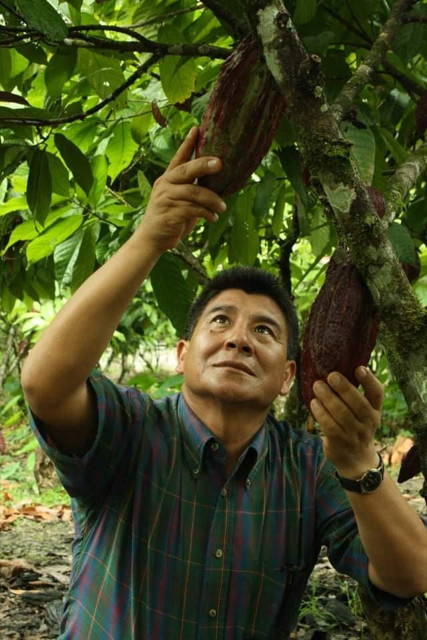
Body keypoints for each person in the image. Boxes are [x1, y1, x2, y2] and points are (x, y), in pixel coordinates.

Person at [21, 127, 427, 639]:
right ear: (183, 355)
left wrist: (359, 462)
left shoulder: (309, 467)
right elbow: (44, 384)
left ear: (288, 378)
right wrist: (151, 236)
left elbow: (410, 575)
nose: (239, 340)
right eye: (220, 321)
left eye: (264, 330)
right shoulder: (133, 428)